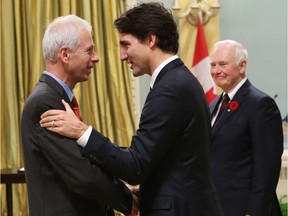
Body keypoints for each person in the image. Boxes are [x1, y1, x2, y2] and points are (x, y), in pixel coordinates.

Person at [40, 3, 224, 216]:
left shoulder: (170, 88)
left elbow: (134, 166)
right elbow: (168, 159)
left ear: (151, 40)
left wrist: (82, 131)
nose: (122, 56)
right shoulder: (177, 80)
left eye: (126, 45)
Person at [21, 15, 138, 216]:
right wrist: (127, 200)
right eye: (89, 50)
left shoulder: (55, 97)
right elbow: (82, 174)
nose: (96, 57)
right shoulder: (44, 103)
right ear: (65, 55)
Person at [209, 40, 283, 216]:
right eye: (213, 65)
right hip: (218, 206)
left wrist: (254, 211)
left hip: (247, 209)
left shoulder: (261, 105)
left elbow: (267, 167)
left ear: (242, 66)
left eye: (223, 64)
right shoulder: (213, 105)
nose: (216, 70)